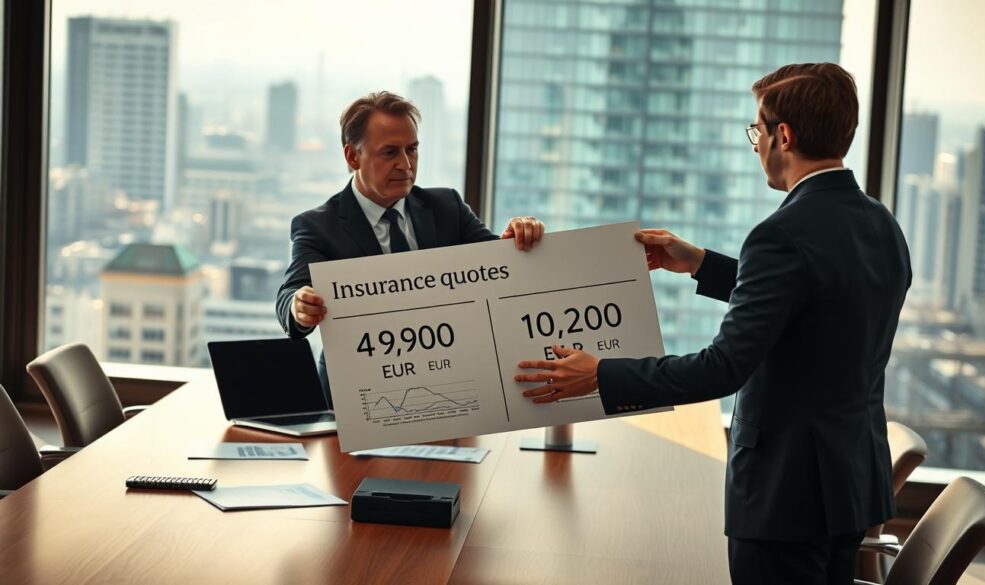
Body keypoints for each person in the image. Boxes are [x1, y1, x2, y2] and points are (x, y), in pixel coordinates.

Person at [515, 63, 912, 585]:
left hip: (784, 495)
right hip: (849, 485)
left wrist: (600, 374)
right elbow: (818, 310)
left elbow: (723, 368)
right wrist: (701, 262)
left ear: (783, 136)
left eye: (757, 130)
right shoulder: (881, 223)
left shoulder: (781, 235)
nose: (755, 145)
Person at [277, 91, 544, 405]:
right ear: (352, 157)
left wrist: (519, 239)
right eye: (389, 152)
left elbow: (498, 274)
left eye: (412, 150)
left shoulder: (448, 207)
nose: (405, 164)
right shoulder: (318, 226)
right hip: (358, 398)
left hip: (451, 388)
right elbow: (290, 296)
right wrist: (299, 305)